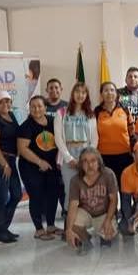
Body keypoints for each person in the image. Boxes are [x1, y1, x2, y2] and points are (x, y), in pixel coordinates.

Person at [18, 95, 62, 240]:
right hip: (31, 167)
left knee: (53, 194)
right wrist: (39, 162)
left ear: (45, 107)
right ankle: (39, 229)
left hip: (51, 166)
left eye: (39, 106)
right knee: (36, 196)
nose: (36, 109)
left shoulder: (53, 121)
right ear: (29, 109)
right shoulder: (26, 126)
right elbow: (22, 149)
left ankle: (51, 225)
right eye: (33, 106)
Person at [54, 82, 98, 220]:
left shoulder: (90, 114)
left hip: (86, 155)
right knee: (70, 190)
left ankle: (83, 223)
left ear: (87, 96)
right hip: (68, 154)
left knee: (86, 190)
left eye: (83, 92)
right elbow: (58, 138)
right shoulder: (61, 112)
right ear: (72, 93)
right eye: (77, 91)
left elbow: (94, 138)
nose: (80, 95)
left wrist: (87, 158)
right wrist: (69, 158)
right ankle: (70, 224)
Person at [65, 147, 119, 255]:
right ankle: (85, 239)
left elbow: (114, 200)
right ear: (81, 164)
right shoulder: (75, 180)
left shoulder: (108, 174)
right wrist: (68, 229)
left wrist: (108, 220)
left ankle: (103, 235)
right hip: (86, 212)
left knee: (109, 235)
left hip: (103, 213)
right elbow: (73, 205)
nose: (89, 165)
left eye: (93, 160)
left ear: (99, 162)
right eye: (85, 161)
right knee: (72, 225)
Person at [0, 90, 22, 243]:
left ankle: (3, 228)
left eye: (7, 101)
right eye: (1, 102)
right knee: (2, 197)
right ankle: (0, 232)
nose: (5, 104)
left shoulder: (11, 115)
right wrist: (4, 164)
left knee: (17, 194)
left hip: (11, 160)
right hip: (0, 161)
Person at [44, 78, 69, 216]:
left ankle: (65, 209)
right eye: (51, 88)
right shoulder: (42, 105)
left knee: (63, 181)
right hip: (45, 149)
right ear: (47, 90)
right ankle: (46, 211)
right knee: (48, 182)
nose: (54, 90)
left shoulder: (67, 106)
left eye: (56, 87)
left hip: (62, 150)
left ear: (61, 89)